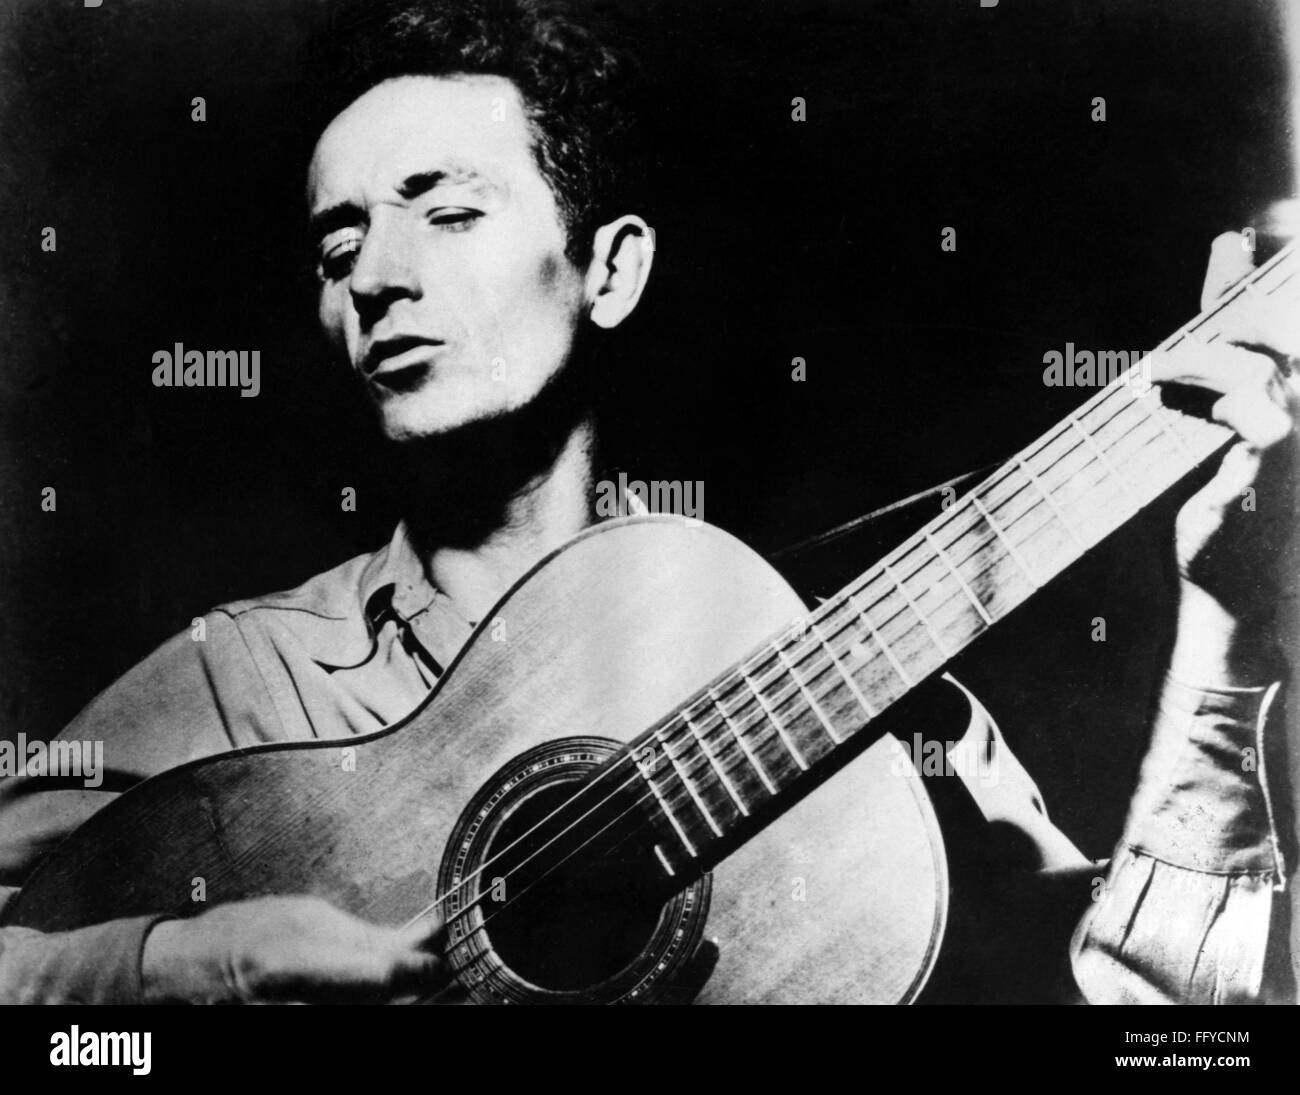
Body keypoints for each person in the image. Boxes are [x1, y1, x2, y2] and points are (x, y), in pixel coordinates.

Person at [0, 0, 1296, 1004]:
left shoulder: (849, 681)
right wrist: (201, 964)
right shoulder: (246, 676)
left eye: (446, 213)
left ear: (610, 270)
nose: (378, 279)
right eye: (337, 252)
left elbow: (1164, 1025)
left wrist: (1228, 640)